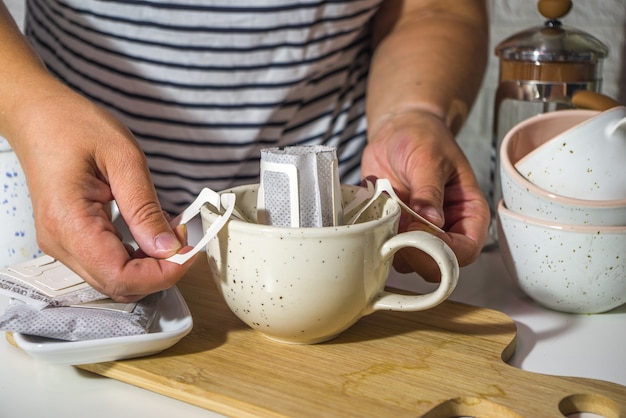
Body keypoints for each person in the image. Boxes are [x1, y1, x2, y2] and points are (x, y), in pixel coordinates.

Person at [0, 0, 490, 302]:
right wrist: (29, 109)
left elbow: (436, 8)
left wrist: (413, 111)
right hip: (63, 195)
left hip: (347, 226)